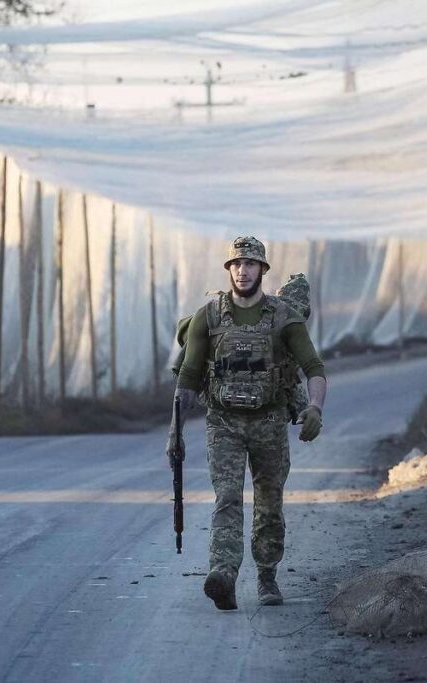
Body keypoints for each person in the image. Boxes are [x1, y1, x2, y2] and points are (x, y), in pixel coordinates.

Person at [168, 236, 326, 610]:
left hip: (269, 421)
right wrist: (174, 430)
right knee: (226, 498)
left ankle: (267, 576)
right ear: (229, 270)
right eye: (236, 264)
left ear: (263, 270)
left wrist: (315, 406)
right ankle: (223, 574)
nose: (243, 270)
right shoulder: (207, 317)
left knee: (269, 503)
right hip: (224, 422)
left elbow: (313, 367)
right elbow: (188, 377)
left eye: (250, 264)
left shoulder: (284, 316)